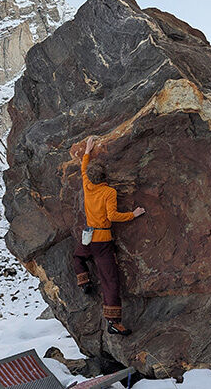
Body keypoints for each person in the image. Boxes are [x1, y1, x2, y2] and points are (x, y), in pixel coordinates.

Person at [72, 136, 145, 336]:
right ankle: (113, 321)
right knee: (110, 280)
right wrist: (133, 214)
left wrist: (87, 150)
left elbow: (83, 167)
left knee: (78, 257)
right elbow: (112, 216)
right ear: (105, 177)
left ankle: (83, 280)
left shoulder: (87, 185)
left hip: (88, 236)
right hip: (102, 241)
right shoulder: (108, 192)